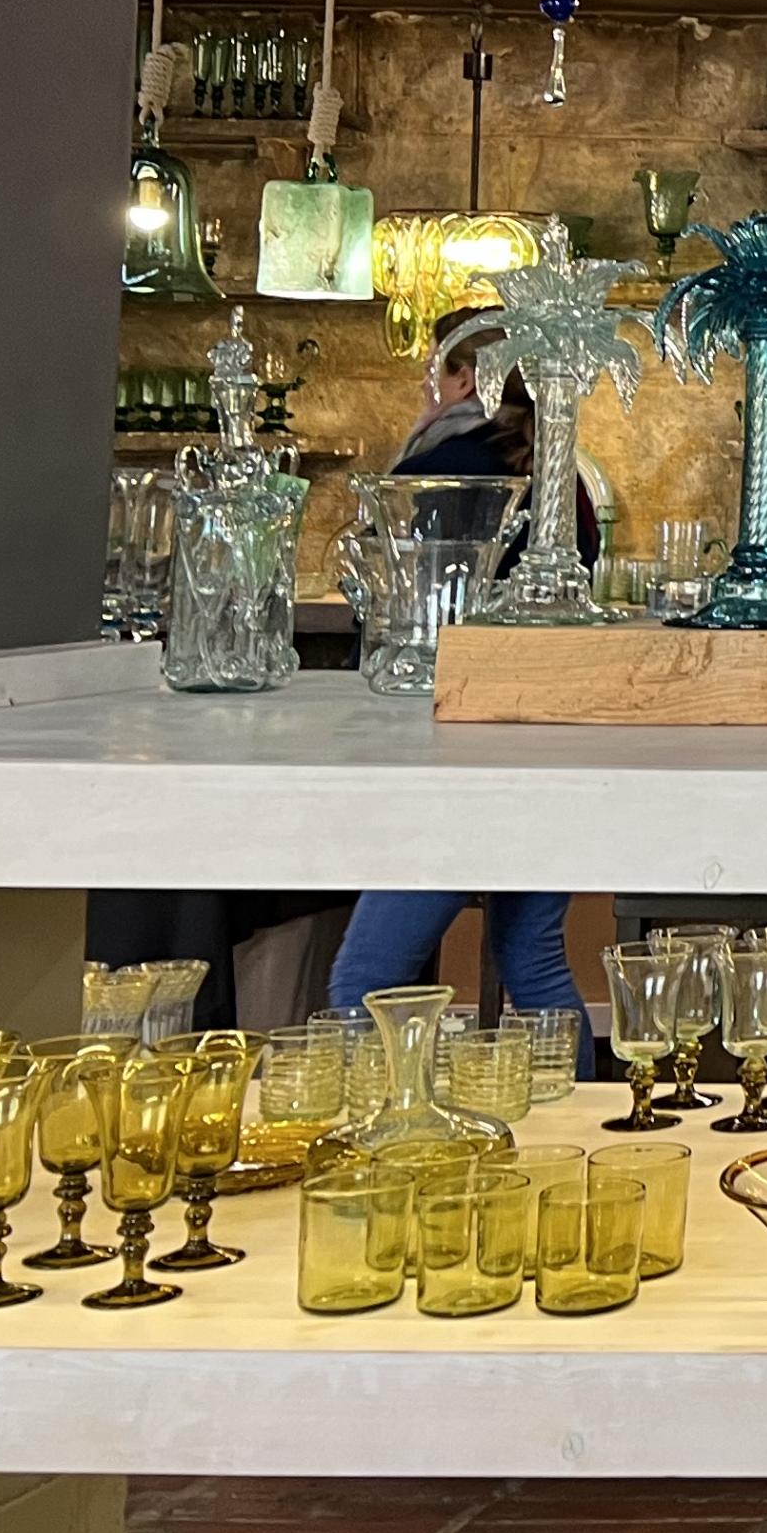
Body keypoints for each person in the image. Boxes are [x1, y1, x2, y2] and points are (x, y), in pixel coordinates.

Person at [326, 347, 589, 1033]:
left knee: (364, 979)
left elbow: (383, 605)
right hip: (547, 745)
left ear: (469, 378)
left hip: (455, 754)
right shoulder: (565, 482)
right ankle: (577, 1106)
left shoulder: (435, 469)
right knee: (534, 964)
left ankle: (380, 1105)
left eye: (433, 373)